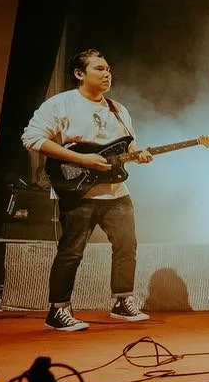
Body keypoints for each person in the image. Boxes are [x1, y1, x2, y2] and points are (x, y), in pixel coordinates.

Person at [21, 49, 152, 331]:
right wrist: (81, 159)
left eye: (108, 70)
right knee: (72, 251)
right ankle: (58, 310)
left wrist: (137, 154)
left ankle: (122, 300)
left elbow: (126, 146)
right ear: (80, 74)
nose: (107, 74)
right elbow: (31, 138)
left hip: (116, 191)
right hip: (78, 191)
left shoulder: (118, 109)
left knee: (127, 246)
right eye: (99, 69)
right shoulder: (61, 105)